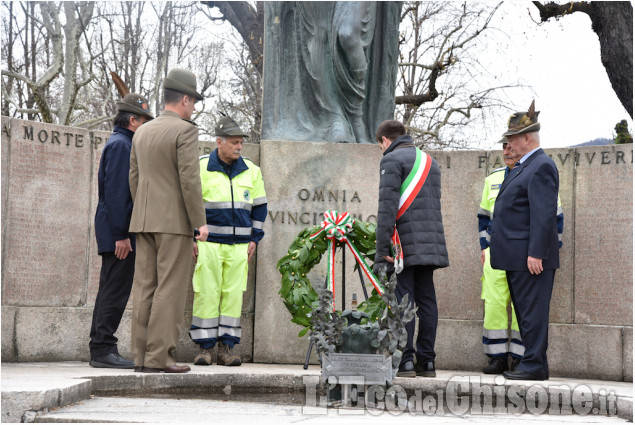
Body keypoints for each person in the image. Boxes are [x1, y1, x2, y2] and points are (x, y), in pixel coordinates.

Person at [128, 68, 209, 374]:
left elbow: (134, 178)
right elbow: (190, 179)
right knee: (170, 289)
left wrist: (144, 211)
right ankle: (160, 357)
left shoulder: (143, 130)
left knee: (145, 287)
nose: (194, 107)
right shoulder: (185, 130)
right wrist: (199, 222)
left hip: (144, 219)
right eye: (193, 101)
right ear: (185, 99)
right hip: (174, 222)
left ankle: (141, 356)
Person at [478, 137, 564, 374]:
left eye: (510, 145)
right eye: (504, 147)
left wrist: (543, 252)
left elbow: (551, 217)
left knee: (524, 311)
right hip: (497, 256)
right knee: (496, 305)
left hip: (526, 256)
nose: (507, 150)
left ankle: (521, 357)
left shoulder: (537, 169)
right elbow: (485, 218)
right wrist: (485, 248)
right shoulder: (494, 178)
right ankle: (497, 357)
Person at [189, 116, 267, 367]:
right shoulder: (200, 167)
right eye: (234, 142)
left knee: (233, 296)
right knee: (207, 293)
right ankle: (204, 348)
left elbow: (260, 208)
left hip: (240, 247)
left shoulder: (252, 170)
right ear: (219, 142)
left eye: (241, 142)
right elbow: (190, 204)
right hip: (208, 244)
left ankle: (227, 348)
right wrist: (192, 236)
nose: (239, 147)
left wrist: (255, 239)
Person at [373, 120, 449, 378]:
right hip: (431, 244)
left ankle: (405, 360)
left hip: (404, 245)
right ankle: (426, 361)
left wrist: (382, 249)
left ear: (385, 140)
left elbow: (387, 208)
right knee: (427, 301)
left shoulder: (391, 160)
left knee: (404, 302)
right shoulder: (431, 162)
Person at [90, 93, 154, 369]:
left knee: (111, 289)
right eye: (144, 121)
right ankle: (103, 349)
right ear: (131, 120)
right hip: (120, 234)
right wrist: (121, 235)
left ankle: (101, 347)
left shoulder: (123, 143)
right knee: (114, 291)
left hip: (119, 231)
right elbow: (117, 194)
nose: (146, 126)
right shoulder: (121, 146)